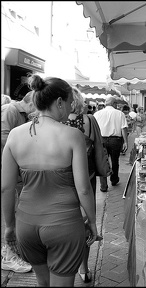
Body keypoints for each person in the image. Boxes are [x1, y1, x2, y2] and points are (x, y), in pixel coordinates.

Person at [1, 74, 98, 286]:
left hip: (26, 225)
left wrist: (9, 226)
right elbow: (83, 189)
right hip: (64, 225)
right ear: (60, 102)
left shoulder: (15, 135)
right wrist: (91, 221)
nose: (72, 108)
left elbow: (6, 188)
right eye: (71, 103)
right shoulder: (72, 135)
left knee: (42, 283)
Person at [62, 88, 104, 282]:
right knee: (86, 220)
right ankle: (84, 269)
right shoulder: (88, 120)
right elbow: (98, 150)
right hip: (86, 176)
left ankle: (64, 266)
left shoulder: (55, 123)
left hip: (61, 178)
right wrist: (104, 171)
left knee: (64, 221)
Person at [1, 91, 36, 273]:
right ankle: (9, 256)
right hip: (8, 170)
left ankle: (12, 251)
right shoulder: (11, 110)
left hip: (15, 172)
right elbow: (4, 137)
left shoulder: (21, 114)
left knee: (16, 210)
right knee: (10, 211)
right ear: (31, 104)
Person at [93, 96, 128, 191]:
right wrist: (125, 142)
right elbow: (123, 128)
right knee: (115, 161)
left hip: (101, 140)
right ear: (114, 104)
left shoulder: (97, 114)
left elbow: (94, 130)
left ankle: (103, 186)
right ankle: (114, 179)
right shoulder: (120, 114)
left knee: (102, 162)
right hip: (115, 140)